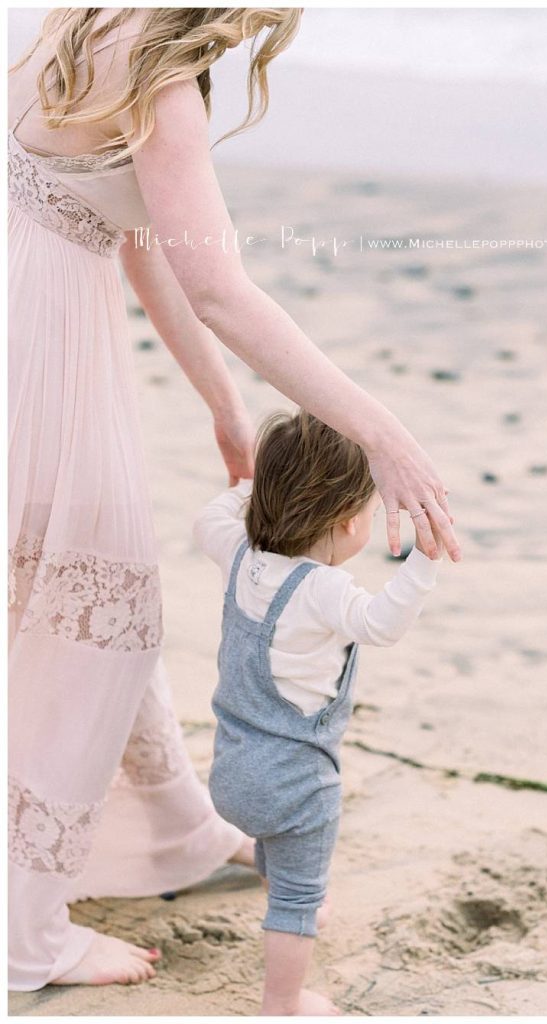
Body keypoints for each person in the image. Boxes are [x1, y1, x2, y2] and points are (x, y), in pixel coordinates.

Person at [8, 7, 459, 992]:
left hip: (28, 300)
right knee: (97, 619)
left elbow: (139, 240)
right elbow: (220, 287)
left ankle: (172, 835)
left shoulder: (91, 16)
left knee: (73, 600)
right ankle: (24, 930)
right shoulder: (164, 83)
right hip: (38, 339)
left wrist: (223, 403)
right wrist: (382, 435)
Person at [194, 410, 445, 1016]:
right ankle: (283, 1000)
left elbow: (211, 517)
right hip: (296, 784)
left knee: (276, 842)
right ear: (347, 522)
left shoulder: (238, 554)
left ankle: (282, 886)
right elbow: (382, 625)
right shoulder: (324, 590)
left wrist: (258, 485)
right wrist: (426, 558)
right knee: (298, 902)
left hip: (230, 777)